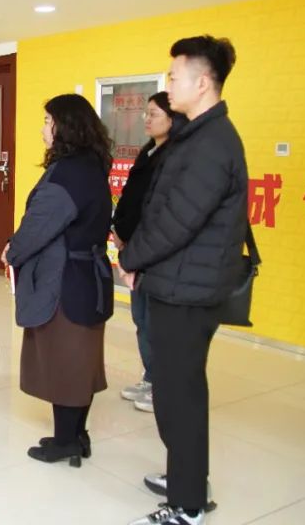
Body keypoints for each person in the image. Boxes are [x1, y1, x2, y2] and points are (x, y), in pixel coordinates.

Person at [119, 36, 247, 525]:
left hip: (188, 291)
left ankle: (188, 505)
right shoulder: (195, 136)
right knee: (176, 392)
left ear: (202, 83)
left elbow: (177, 221)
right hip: (176, 282)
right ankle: (186, 479)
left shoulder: (212, 144)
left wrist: (131, 258)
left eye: (173, 77)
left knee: (181, 396)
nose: (167, 84)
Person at [2, 94, 114, 467]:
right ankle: (76, 435)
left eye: (48, 121)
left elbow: (39, 225)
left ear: (65, 127)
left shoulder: (68, 173)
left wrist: (12, 251)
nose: (42, 129)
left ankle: (66, 441)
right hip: (89, 278)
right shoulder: (91, 165)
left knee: (64, 360)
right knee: (82, 360)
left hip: (65, 282)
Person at [112, 92, 185, 413]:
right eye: (146, 113)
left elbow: (158, 210)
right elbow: (131, 197)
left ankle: (164, 385)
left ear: (172, 118)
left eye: (153, 114)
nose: (146, 119)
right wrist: (119, 231)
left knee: (158, 323)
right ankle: (151, 376)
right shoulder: (148, 151)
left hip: (155, 253)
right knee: (141, 318)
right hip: (134, 249)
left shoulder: (175, 156)